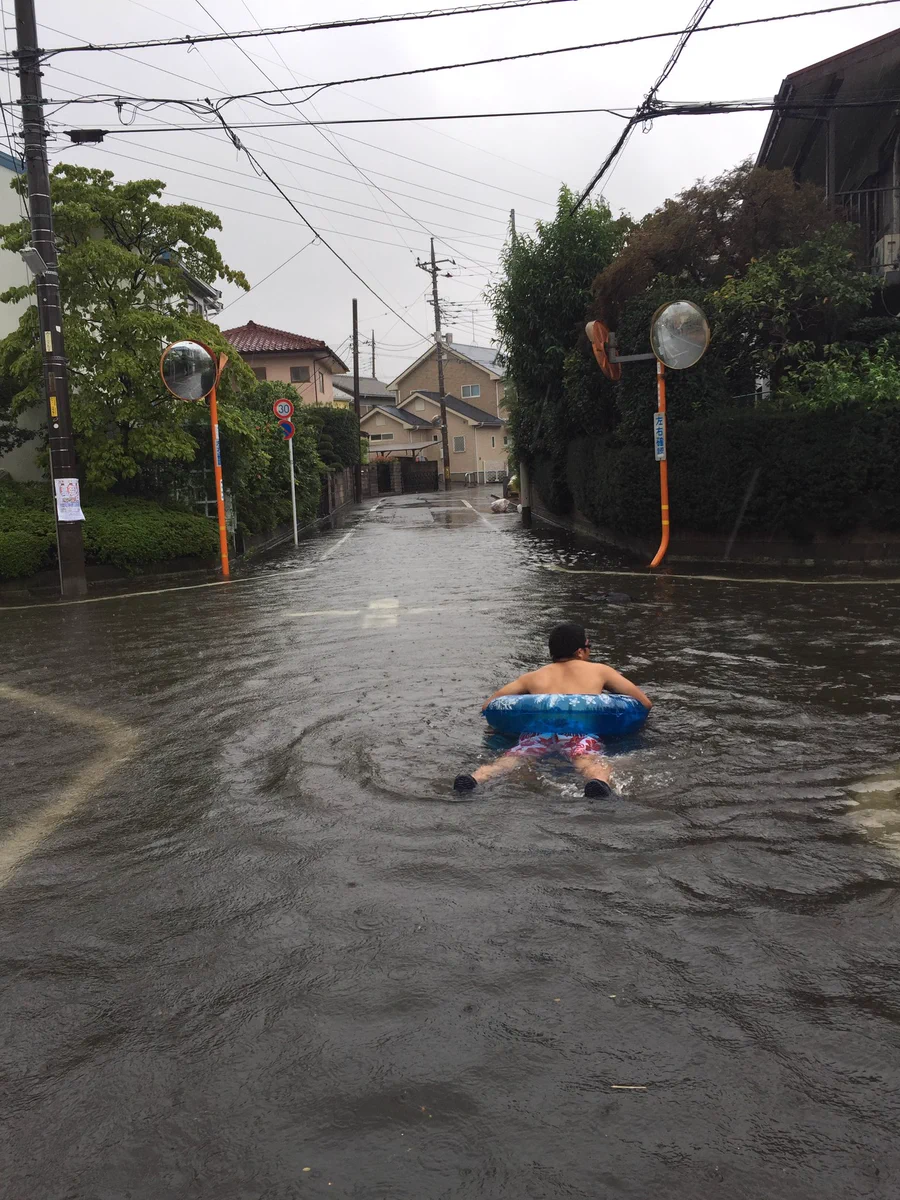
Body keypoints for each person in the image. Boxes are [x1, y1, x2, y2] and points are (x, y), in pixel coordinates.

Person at [454, 622, 652, 799]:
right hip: (579, 732)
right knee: (587, 760)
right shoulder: (600, 670)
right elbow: (644, 703)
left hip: (538, 732)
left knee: (512, 759)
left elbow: (489, 705)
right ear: (581, 651)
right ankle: (598, 782)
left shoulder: (533, 677)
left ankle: (476, 778)